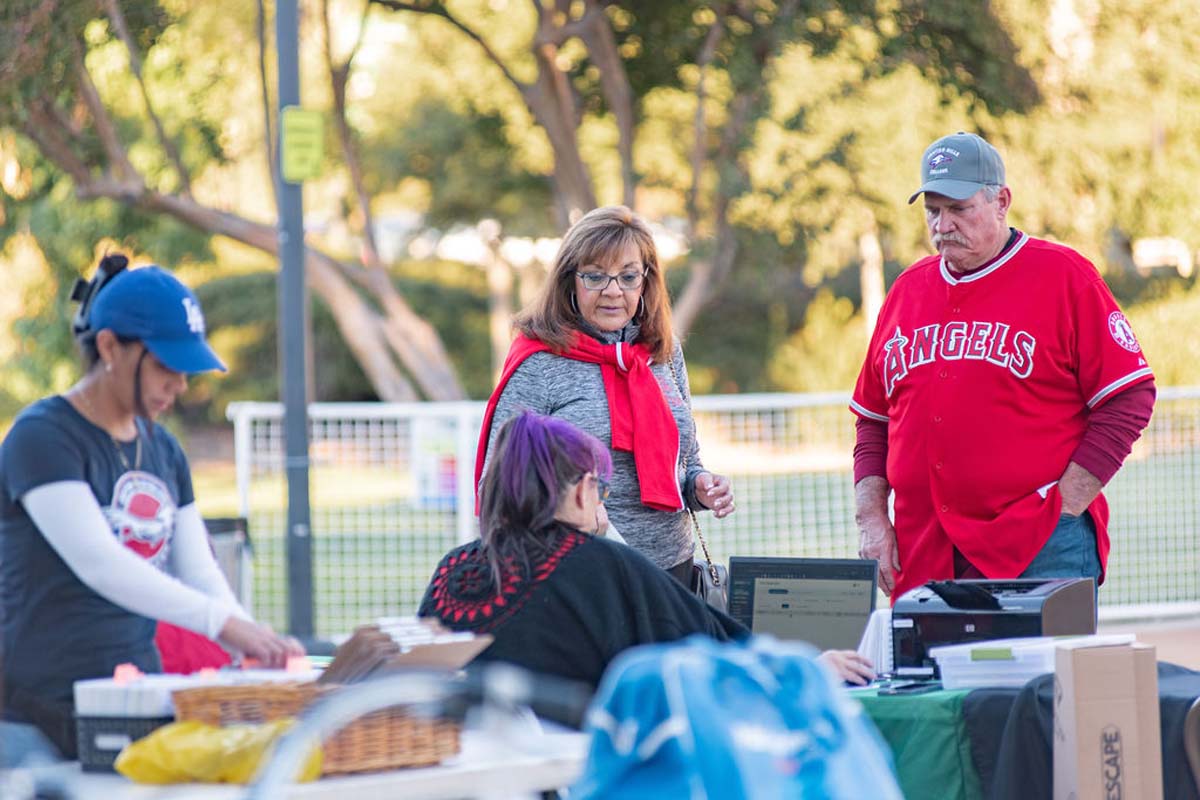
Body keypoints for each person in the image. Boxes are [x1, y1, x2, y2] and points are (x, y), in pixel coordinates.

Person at [0, 254, 303, 756]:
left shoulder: (164, 448)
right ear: (109, 347)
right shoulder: (42, 436)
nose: (179, 386)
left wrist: (247, 638)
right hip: (35, 715)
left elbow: (199, 571)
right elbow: (100, 564)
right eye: (165, 366)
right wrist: (224, 624)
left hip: (134, 701)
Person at [851, 132, 1156, 601]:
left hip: (1039, 542)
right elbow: (873, 421)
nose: (943, 225)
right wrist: (872, 519)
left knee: (1043, 656)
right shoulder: (908, 290)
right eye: (933, 210)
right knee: (925, 656)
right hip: (926, 548)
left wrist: (1067, 502)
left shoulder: (1064, 276)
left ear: (1001, 202)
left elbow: (1130, 395)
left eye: (959, 208)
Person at [425, 412, 873, 689]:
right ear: (582, 491)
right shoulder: (598, 563)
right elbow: (710, 642)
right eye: (600, 488)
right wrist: (807, 666)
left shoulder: (453, 569)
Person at [475, 205, 733, 587]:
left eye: (628, 276)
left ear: (646, 281)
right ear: (570, 280)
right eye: (595, 276)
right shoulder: (539, 361)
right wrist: (569, 513)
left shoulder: (663, 352)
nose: (613, 291)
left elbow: (686, 461)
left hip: (671, 570)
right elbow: (498, 485)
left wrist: (700, 485)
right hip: (581, 575)